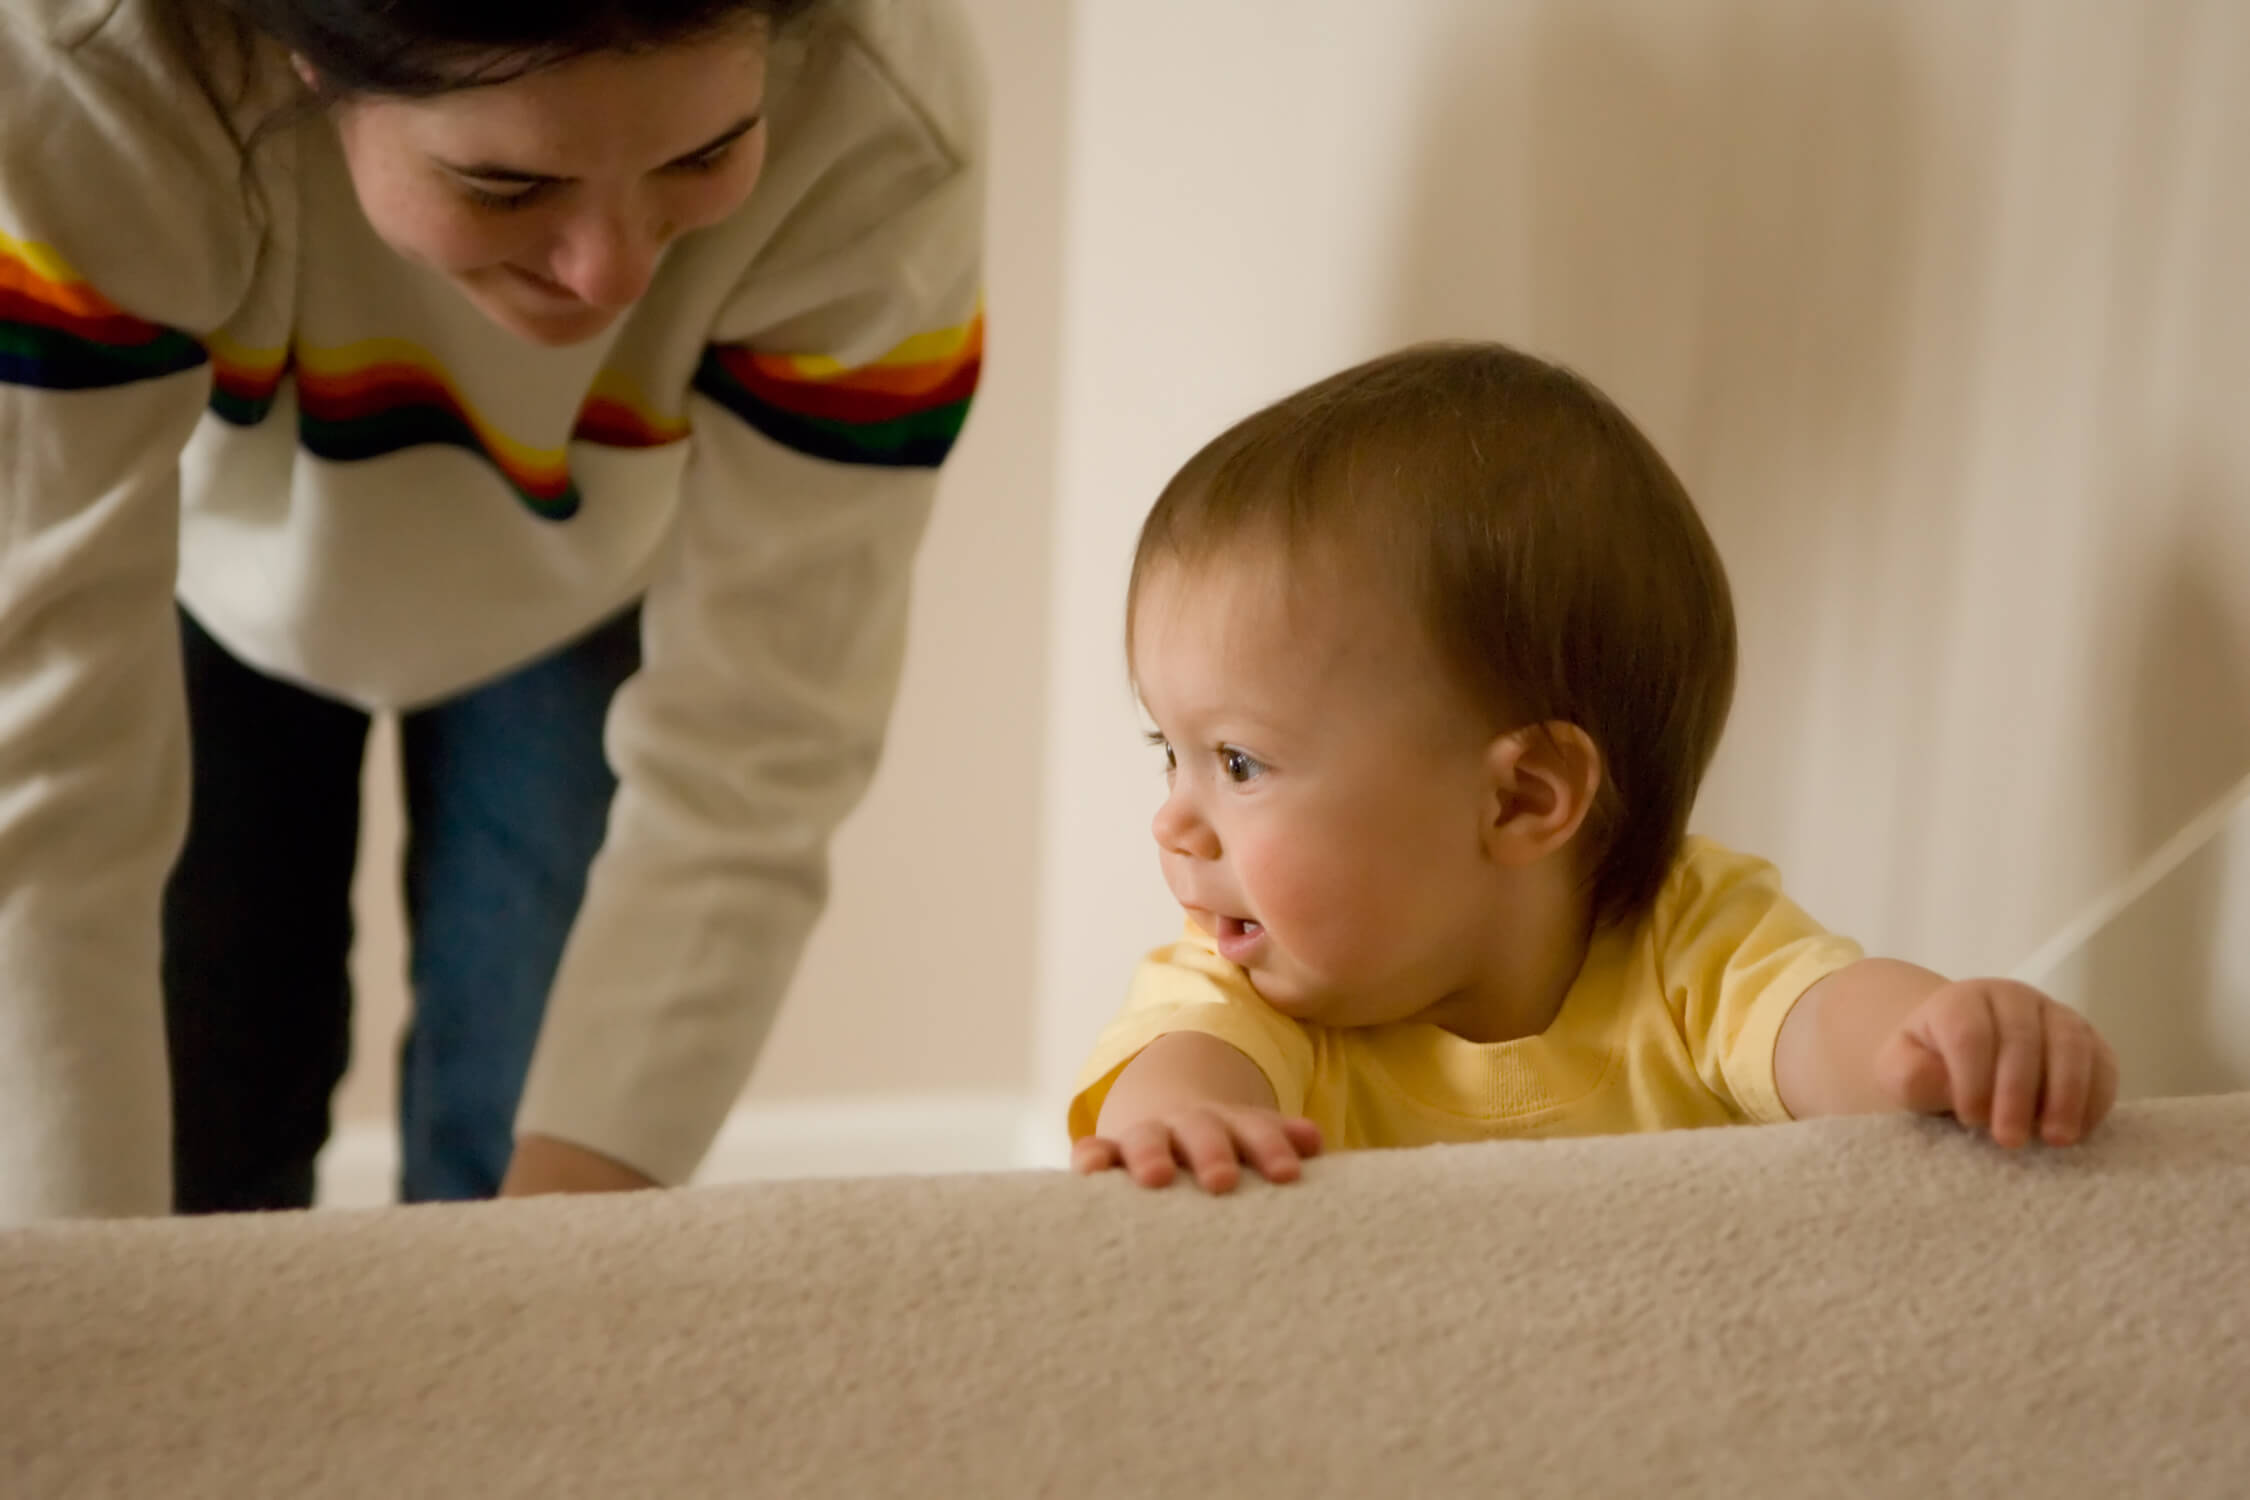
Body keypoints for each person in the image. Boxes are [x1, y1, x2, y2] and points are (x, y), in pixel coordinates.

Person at [0, 0, 984, 1221]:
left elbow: (760, 746)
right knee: (205, 1127)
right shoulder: (81, 75)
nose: (612, 271)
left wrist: (541, 1281)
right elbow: (32, 786)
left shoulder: (884, 116)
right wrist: (98, 1313)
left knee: (515, 1133)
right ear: (304, 62)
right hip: (193, 568)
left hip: (583, 580)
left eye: (702, 156)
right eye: (506, 185)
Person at [1069, 342, 2119, 1194]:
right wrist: (1188, 1128)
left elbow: (1823, 1021)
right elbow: (1185, 1072)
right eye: (1173, 754)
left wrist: (1943, 1040)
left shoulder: (1687, 942)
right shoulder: (1255, 984)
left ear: (1522, 798)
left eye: (1240, 763)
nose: (1174, 824)